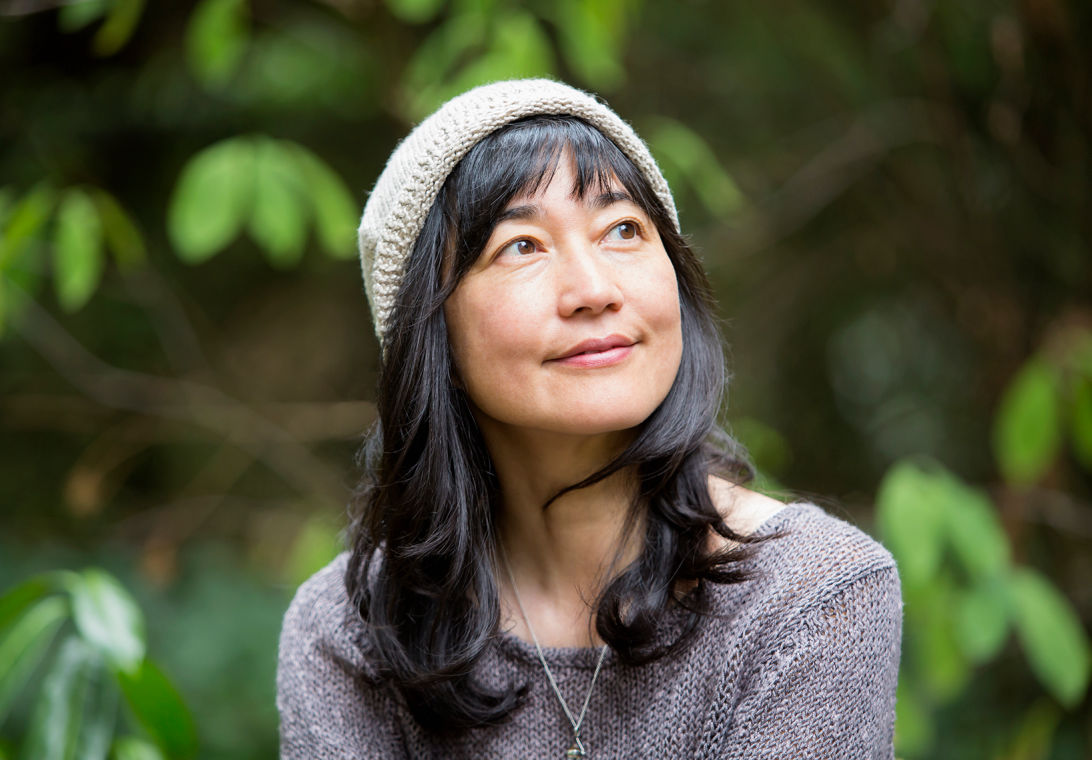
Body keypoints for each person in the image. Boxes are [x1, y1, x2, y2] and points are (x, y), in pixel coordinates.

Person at [276, 79, 902, 758]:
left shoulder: (812, 598)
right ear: (431, 332)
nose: (594, 290)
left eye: (623, 230)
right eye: (522, 246)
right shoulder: (351, 632)